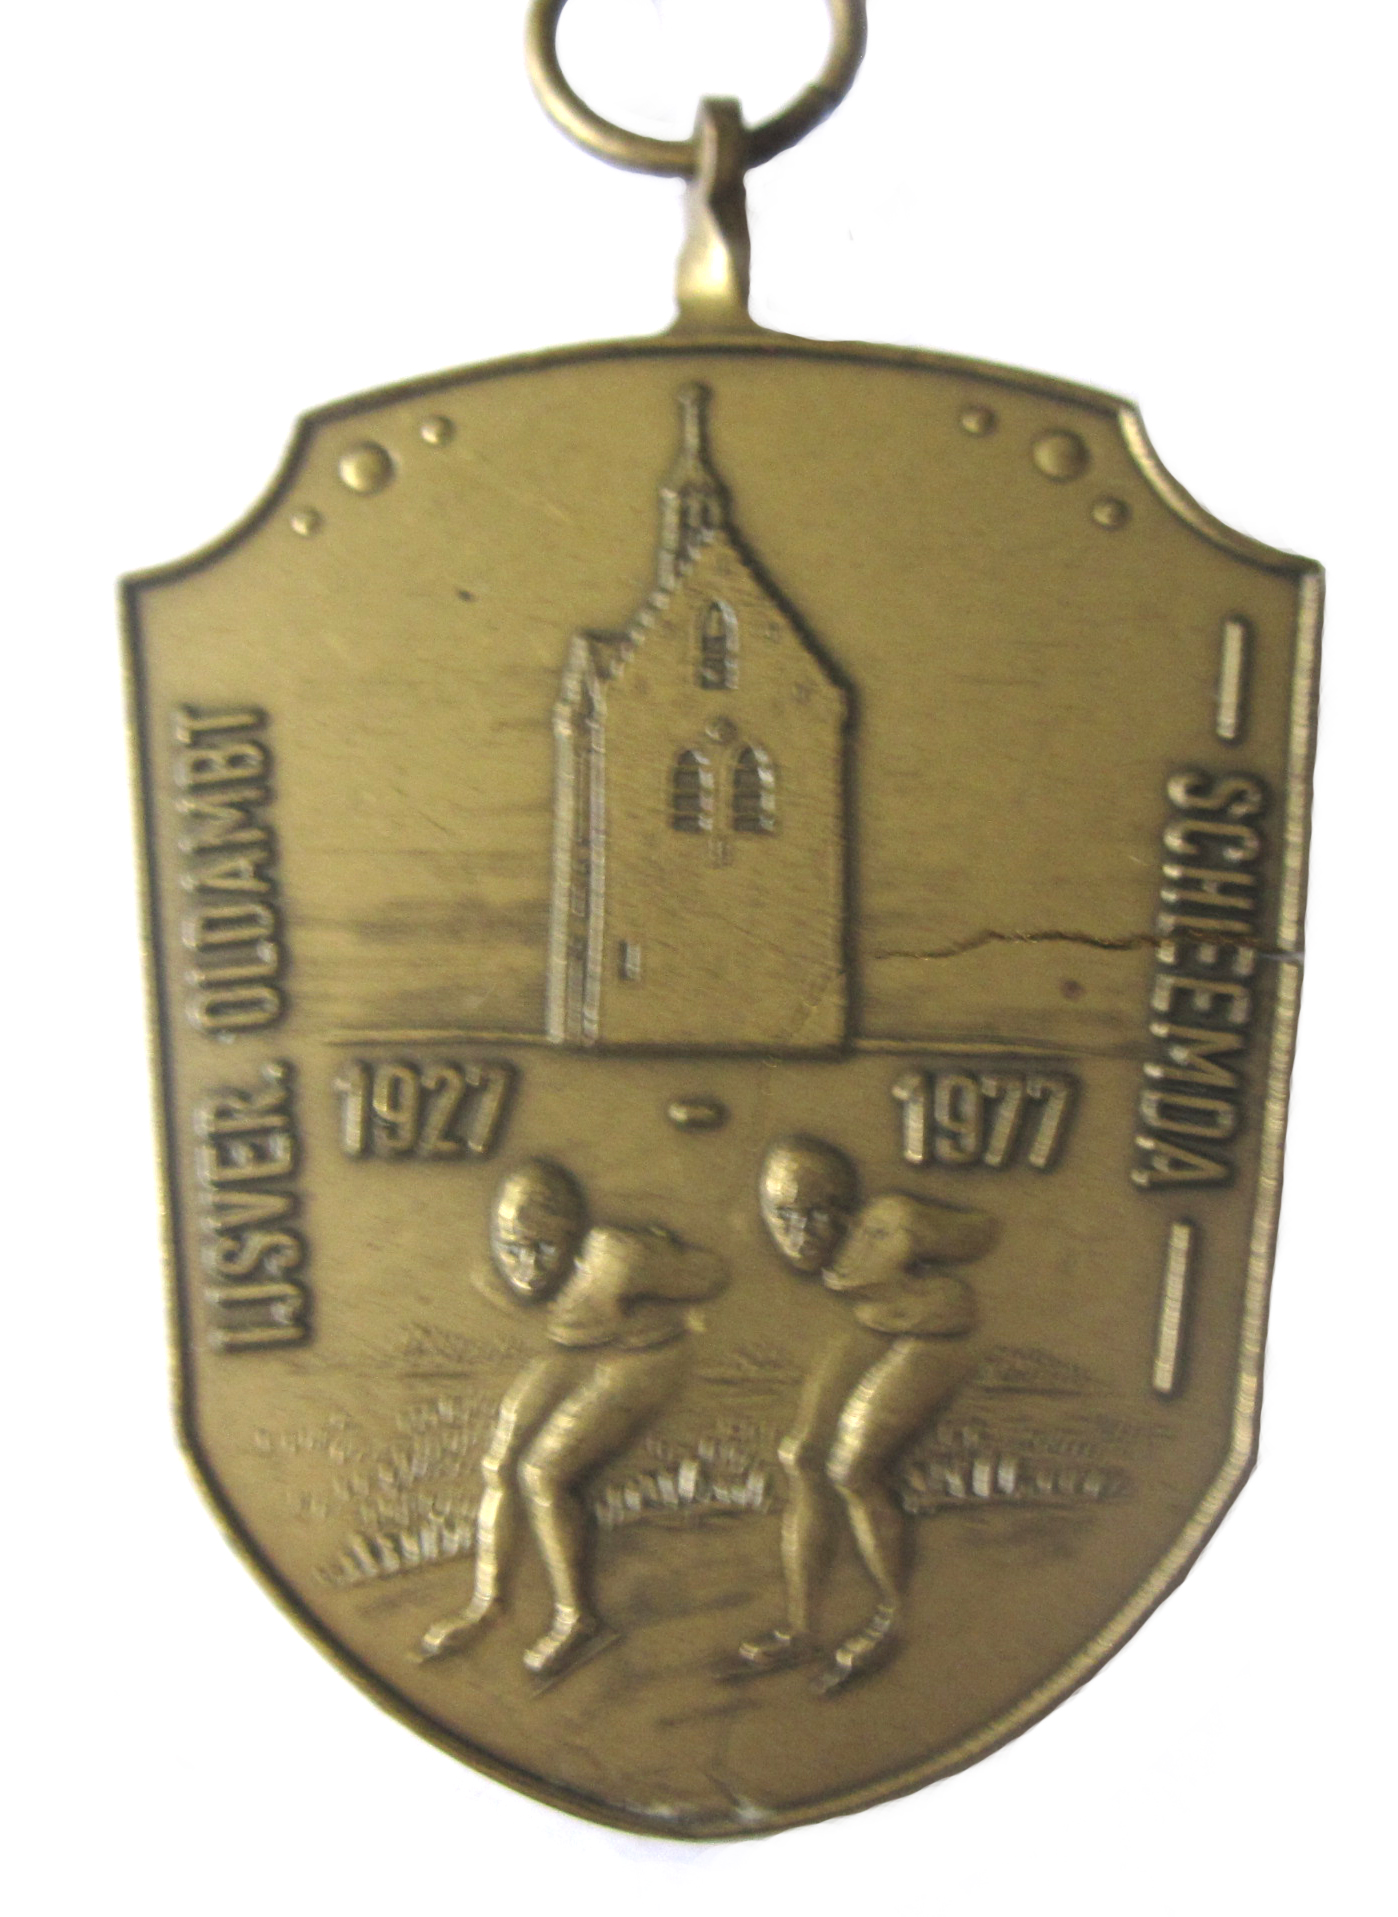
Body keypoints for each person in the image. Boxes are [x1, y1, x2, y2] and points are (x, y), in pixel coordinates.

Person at [420, 1159, 726, 1680]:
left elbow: (712, 1273)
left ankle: (577, 1619)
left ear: (574, 1237)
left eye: (544, 1249)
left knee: (543, 1473)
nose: (528, 1266)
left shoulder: (620, 1258)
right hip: (580, 1350)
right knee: (500, 1462)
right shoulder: (493, 1273)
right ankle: (488, 1604)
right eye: (513, 1248)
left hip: (645, 1356)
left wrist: (663, 1267)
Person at [736, 1135, 997, 1691]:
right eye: (784, 1216)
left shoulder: (894, 1223)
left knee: (852, 1470)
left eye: (815, 1215)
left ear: (847, 1212)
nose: (799, 1234)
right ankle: (803, 1627)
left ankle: (899, 1620)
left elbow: (984, 1233)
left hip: (942, 1333)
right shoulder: (839, 1249)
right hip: (880, 1324)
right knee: (801, 1455)